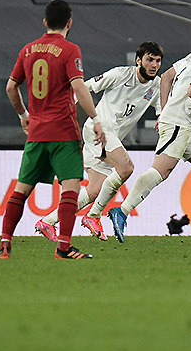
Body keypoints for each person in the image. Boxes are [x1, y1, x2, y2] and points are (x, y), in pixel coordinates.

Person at [0, 0, 106, 260]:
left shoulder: (27, 50)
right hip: (64, 132)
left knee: (21, 190)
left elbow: (11, 87)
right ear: (70, 23)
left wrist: (23, 115)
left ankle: (4, 246)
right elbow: (78, 86)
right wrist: (95, 118)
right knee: (71, 189)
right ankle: (63, 248)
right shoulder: (69, 49)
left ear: (45, 22)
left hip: (36, 133)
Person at [107, 23, 191, 242]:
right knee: (161, 171)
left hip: (180, 122)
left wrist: (164, 111)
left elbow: (167, 76)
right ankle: (122, 211)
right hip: (178, 123)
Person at [34, 42, 164, 242]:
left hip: (110, 137)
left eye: (158, 61)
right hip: (98, 130)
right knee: (126, 167)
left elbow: (162, 110)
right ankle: (93, 216)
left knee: (95, 190)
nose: (154, 65)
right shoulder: (120, 74)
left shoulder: (156, 86)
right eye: (149, 60)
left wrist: (162, 119)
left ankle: (48, 221)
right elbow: (85, 88)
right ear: (138, 60)